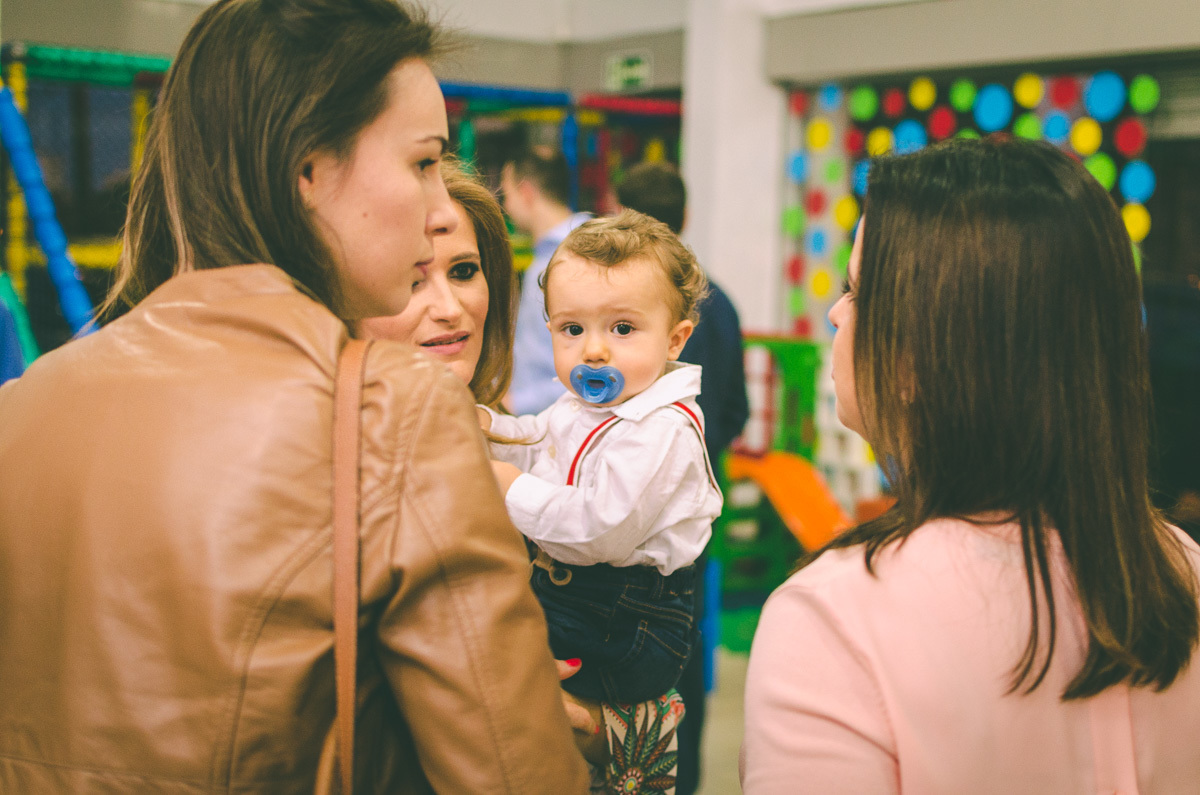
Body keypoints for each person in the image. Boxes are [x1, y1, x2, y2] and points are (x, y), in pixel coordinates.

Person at [0, 2, 591, 792]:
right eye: (422, 163)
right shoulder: (395, 409)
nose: (439, 206)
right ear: (309, 170)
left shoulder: (26, 405)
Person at [741, 138, 1200, 793]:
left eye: (857, 289)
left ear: (916, 356)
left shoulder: (837, 617)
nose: (837, 312)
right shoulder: (1181, 570)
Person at [480, 210, 724, 708]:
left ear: (675, 339)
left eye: (622, 328)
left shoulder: (662, 429)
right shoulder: (585, 405)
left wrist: (508, 488)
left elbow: (600, 528)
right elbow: (536, 438)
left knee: (485, 662)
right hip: (576, 594)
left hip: (627, 620)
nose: (593, 350)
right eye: (571, 329)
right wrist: (486, 430)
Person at [615, 160, 749, 795]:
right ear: (686, 217)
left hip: (623, 521)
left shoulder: (616, 312)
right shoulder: (719, 304)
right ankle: (683, 778)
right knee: (683, 644)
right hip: (694, 517)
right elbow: (736, 410)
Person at [501, 146, 591, 414]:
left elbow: (592, 362)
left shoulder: (584, 256)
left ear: (526, 192)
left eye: (507, 194)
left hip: (563, 422)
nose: (506, 206)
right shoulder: (546, 256)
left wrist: (516, 403)